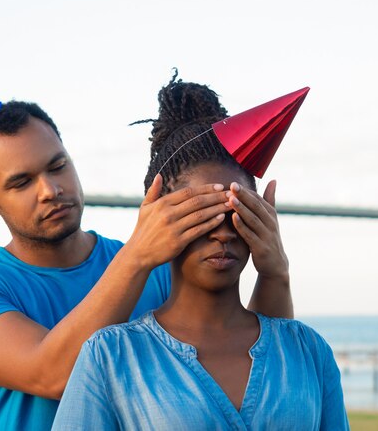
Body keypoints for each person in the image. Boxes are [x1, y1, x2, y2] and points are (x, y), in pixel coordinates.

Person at [0, 81, 294, 431]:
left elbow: (258, 360)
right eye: (21, 182)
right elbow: (55, 375)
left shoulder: (158, 264)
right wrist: (137, 257)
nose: (50, 190)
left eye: (57, 166)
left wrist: (274, 274)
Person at [52, 77, 349, 430]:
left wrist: (277, 269)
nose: (222, 232)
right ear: (160, 218)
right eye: (200, 214)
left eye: (237, 212)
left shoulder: (308, 351)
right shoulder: (110, 357)